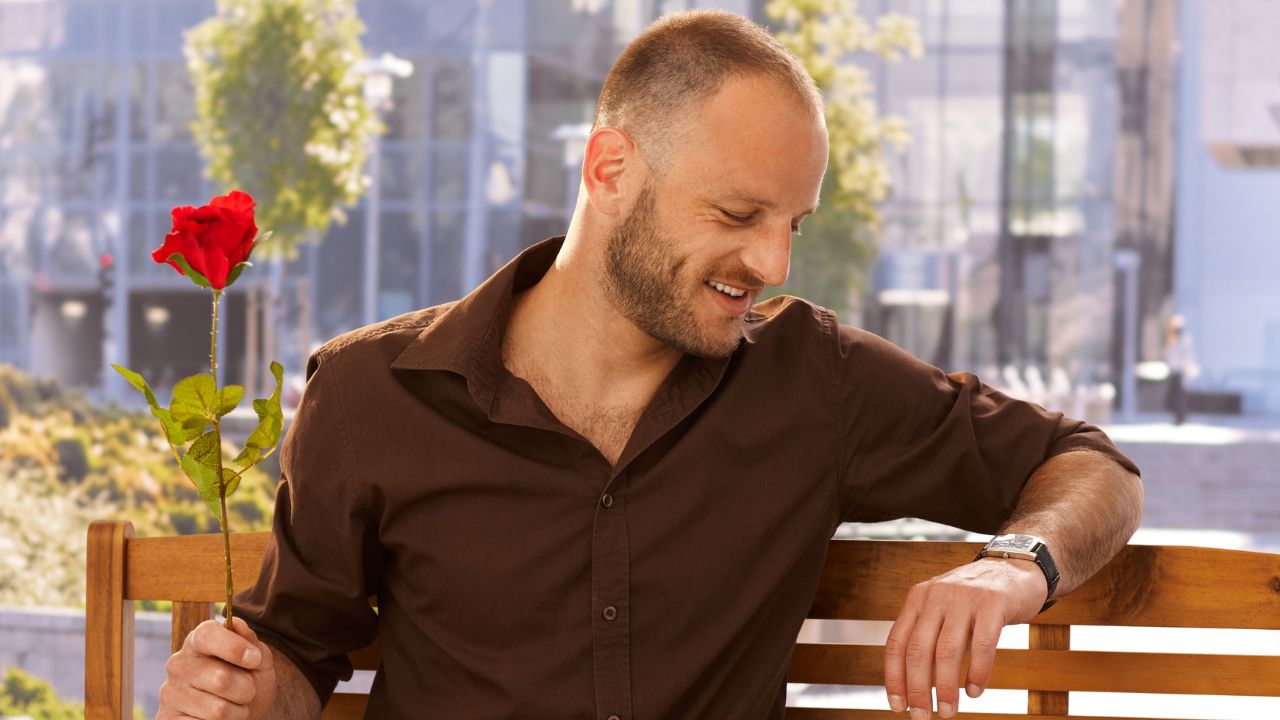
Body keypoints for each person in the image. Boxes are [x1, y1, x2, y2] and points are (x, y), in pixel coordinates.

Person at [157, 10, 1142, 720]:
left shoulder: (814, 380)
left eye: (791, 224)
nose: (772, 263)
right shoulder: (374, 394)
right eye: (736, 215)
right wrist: (241, 693)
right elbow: (297, 652)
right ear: (609, 170)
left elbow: (1087, 461)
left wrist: (1011, 566)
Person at [1164, 314, 1197, 425]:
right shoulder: (1173, 339)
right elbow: (1169, 354)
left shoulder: (1184, 339)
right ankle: (1178, 417)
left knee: (1180, 395)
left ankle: (1181, 417)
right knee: (1174, 395)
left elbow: (1185, 355)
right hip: (1174, 370)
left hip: (1181, 370)